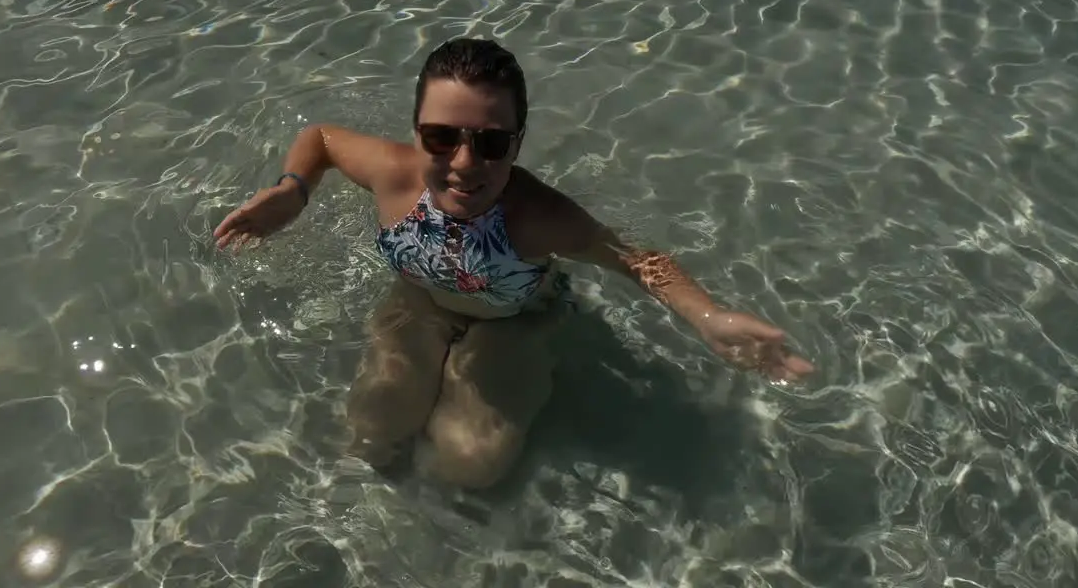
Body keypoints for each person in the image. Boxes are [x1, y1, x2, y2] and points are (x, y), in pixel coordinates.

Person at [213, 38, 815, 489]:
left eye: (492, 142)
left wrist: (707, 317)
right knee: (368, 438)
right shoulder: (392, 173)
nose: (465, 162)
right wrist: (293, 190)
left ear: (518, 143)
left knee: (467, 466)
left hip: (514, 321)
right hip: (417, 304)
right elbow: (320, 138)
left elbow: (639, 261)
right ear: (416, 132)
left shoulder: (537, 216)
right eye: (441, 137)